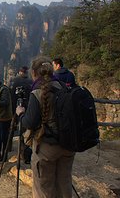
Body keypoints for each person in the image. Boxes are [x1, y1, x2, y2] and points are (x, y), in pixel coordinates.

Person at [16, 56, 75, 198]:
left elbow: (30, 122)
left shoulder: (37, 92)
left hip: (47, 147)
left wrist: (20, 114)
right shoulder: (64, 87)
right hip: (68, 145)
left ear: (34, 73)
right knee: (64, 184)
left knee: (44, 187)